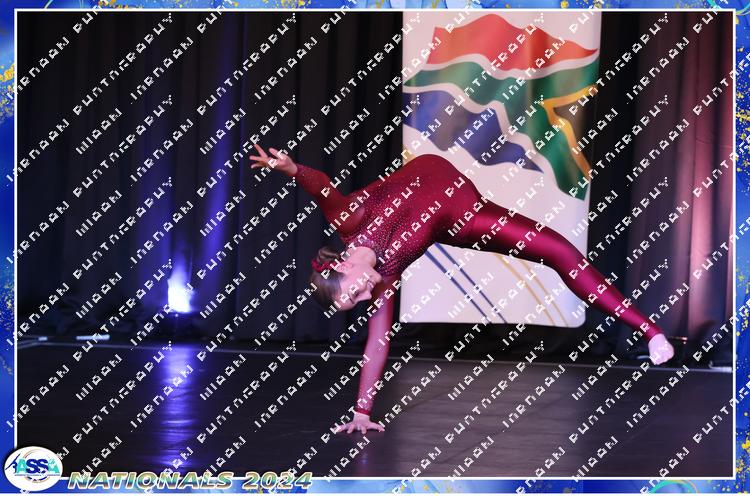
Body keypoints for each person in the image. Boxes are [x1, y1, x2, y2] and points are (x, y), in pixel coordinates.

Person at [249, 144, 675, 435]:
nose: (364, 298)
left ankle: (647, 328)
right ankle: (651, 332)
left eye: (353, 292)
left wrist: (292, 170)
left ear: (342, 265)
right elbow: (377, 343)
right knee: (558, 251)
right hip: (462, 216)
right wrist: (362, 411)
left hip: (442, 183)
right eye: (356, 303)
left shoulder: (351, 222)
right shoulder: (386, 279)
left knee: (563, 251)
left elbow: (324, 189)